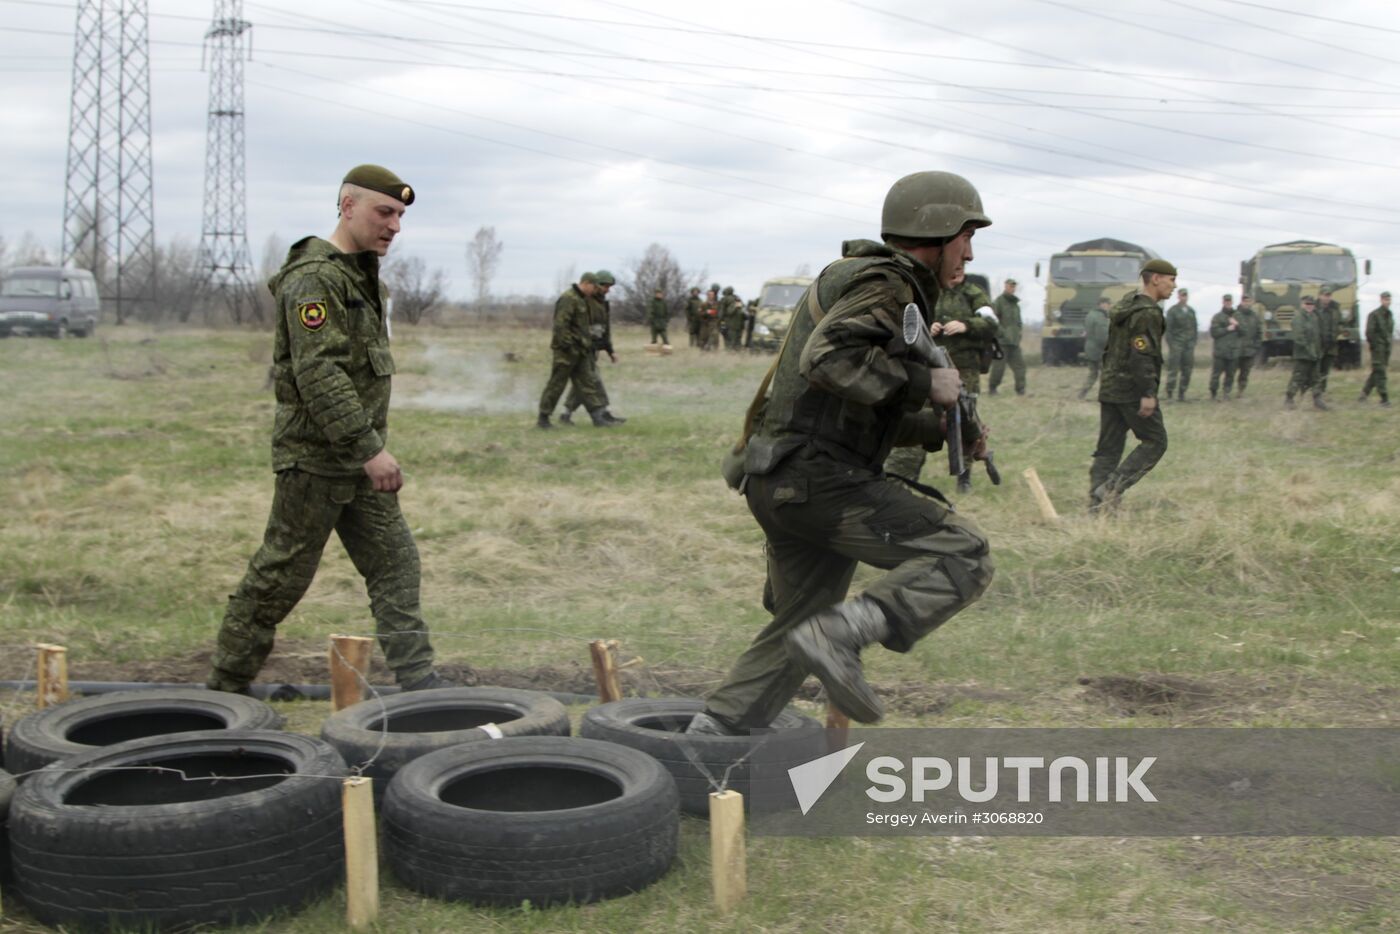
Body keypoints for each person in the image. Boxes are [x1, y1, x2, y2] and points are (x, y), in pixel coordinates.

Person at [688, 170, 995, 734]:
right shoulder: (888, 284)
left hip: (782, 478)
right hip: (815, 480)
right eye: (966, 237)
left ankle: (708, 747)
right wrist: (928, 385)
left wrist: (936, 428)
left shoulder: (868, 283)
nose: (969, 254)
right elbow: (827, 361)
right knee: (964, 553)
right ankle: (841, 636)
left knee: (799, 626)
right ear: (937, 230)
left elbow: (843, 409)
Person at [206, 165, 451, 695]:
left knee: (396, 565)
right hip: (315, 463)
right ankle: (225, 689)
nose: (395, 226)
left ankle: (419, 682)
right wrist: (370, 450)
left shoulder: (360, 276)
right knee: (279, 579)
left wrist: (367, 450)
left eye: (401, 216)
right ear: (347, 206)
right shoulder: (315, 278)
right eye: (384, 212)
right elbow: (319, 372)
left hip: (357, 461)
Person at [1088, 258, 1175, 513]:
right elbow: (1142, 355)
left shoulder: (1126, 306)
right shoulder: (1147, 313)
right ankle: (1111, 489)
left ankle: (1096, 508)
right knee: (1156, 442)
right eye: (1171, 280)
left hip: (1111, 386)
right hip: (1132, 391)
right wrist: (1148, 393)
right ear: (1156, 279)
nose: (1173, 286)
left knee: (1108, 450)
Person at [933, 272, 999, 493]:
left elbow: (991, 323)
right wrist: (928, 325)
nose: (957, 271)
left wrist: (966, 325)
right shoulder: (929, 290)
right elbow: (909, 319)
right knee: (923, 417)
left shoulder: (973, 293)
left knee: (965, 420)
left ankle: (964, 477)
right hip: (931, 367)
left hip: (965, 369)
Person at [538, 272, 613, 428]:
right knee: (557, 384)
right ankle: (543, 418)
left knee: (589, 382)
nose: (594, 291)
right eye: (593, 286)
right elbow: (560, 326)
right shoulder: (568, 298)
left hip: (582, 350)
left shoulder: (582, 300)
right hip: (566, 352)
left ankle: (598, 418)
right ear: (585, 283)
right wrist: (569, 346)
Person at [561, 269, 626, 426]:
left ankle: (567, 414)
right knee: (589, 381)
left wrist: (610, 350)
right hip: (582, 347)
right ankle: (600, 414)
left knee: (585, 382)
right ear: (597, 285)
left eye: (609, 287)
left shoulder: (603, 304)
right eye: (605, 286)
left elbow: (604, 329)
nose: (607, 290)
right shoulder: (586, 301)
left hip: (593, 347)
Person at [1284, 295, 1325, 410]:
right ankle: (1289, 398)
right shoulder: (1298, 319)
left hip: (1314, 354)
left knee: (1316, 377)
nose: (1309, 306)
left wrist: (1317, 351)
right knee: (1298, 377)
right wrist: (1310, 350)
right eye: (1307, 304)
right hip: (1302, 355)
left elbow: (1317, 336)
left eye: (1311, 304)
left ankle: (1318, 400)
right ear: (1302, 305)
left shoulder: (1314, 318)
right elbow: (1299, 338)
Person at [987, 277, 1026, 396]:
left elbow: (1019, 322)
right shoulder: (999, 302)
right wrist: (1001, 334)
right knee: (999, 368)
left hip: (1014, 342)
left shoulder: (1016, 305)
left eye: (1014, 286)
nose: (1012, 288)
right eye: (1010, 286)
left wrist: (1018, 333)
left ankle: (1021, 390)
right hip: (1001, 342)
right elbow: (993, 320)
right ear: (1005, 286)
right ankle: (992, 388)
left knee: (1020, 366)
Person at [1163, 287, 1197, 402]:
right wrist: (1172, 345)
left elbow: (1194, 329)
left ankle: (1182, 394)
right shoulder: (1172, 311)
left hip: (1188, 346)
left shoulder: (1191, 311)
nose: (1184, 297)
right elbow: (1168, 330)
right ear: (1178, 296)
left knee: (1187, 370)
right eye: (1182, 295)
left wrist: (1193, 342)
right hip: (1177, 344)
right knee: (1173, 370)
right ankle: (1170, 394)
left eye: (1185, 295)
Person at [1359, 290, 1393, 406]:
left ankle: (1364, 393)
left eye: (1388, 299)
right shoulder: (1374, 315)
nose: (1387, 301)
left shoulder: (1390, 315)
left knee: (1377, 372)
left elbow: (1389, 332)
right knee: (1381, 373)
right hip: (1378, 349)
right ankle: (1384, 398)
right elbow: (1369, 333)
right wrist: (1375, 346)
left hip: (1386, 349)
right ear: (1381, 300)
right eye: (1385, 299)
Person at [1208, 294, 1241, 401]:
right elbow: (1214, 333)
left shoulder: (1238, 316)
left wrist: (1237, 325)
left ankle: (1226, 393)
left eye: (1229, 301)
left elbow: (1245, 332)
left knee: (1230, 374)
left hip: (1233, 351)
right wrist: (1227, 328)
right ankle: (1213, 393)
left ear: (1232, 302)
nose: (1228, 302)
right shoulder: (1217, 317)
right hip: (1220, 351)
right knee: (1216, 374)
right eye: (1226, 301)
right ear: (1223, 302)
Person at [1078, 297, 1112, 400]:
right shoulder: (1100, 317)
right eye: (1108, 304)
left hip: (1090, 348)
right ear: (1102, 304)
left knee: (1093, 374)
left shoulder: (1090, 315)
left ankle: (1082, 393)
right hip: (1099, 350)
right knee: (1105, 374)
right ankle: (1104, 395)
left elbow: (1086, 331)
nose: (1109, 307)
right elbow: (1102, 337)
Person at [1315, 285, 1341, 399]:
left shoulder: (1335, 309)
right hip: (1318, 345)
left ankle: (1322, 392)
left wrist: (1335, 336)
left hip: (1331, 345)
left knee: (1325, 370)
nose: (1327, 298)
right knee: (1316, 369)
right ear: (1320, 296)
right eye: (1325, 295)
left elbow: (1339, 324)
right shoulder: (1314, 309)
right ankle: (1315, 392)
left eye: (1329, 296)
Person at [1234, 294, 1261, 397]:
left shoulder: (1254, 316)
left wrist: (1256, 346)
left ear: (1251, 302)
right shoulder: (1235, 314)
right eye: (1245, 301)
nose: (1247, 303)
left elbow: (1259, 332)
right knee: (1231, 372)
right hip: (1236, 349)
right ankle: (1226, 391)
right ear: (1241, 302)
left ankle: (1241, 391)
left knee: (1245, 373)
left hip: (1249, 350)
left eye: (1249, 301)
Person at [720, 286, 745, 350]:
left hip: (730, 325)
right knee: (737, 342)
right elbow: (743, 311)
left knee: (729, 343)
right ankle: (738, 356)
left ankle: (730, 355)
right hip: (739, 325)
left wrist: (721, 322)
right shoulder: (738, 299)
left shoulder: (725, 299)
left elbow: (723, 313)